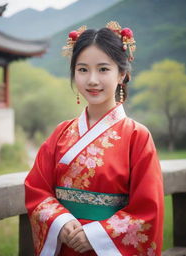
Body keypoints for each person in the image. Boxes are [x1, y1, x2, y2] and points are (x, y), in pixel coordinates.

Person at [25, 21, 164, 256]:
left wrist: (97, 235)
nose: (91, 80)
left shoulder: (137, 136)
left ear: (122, 74)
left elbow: (148, 209)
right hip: (65, 242)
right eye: (82, 69)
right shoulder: (61, 132)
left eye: (103, 69)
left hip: (109, 247)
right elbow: (36, 188)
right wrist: (60, 221)